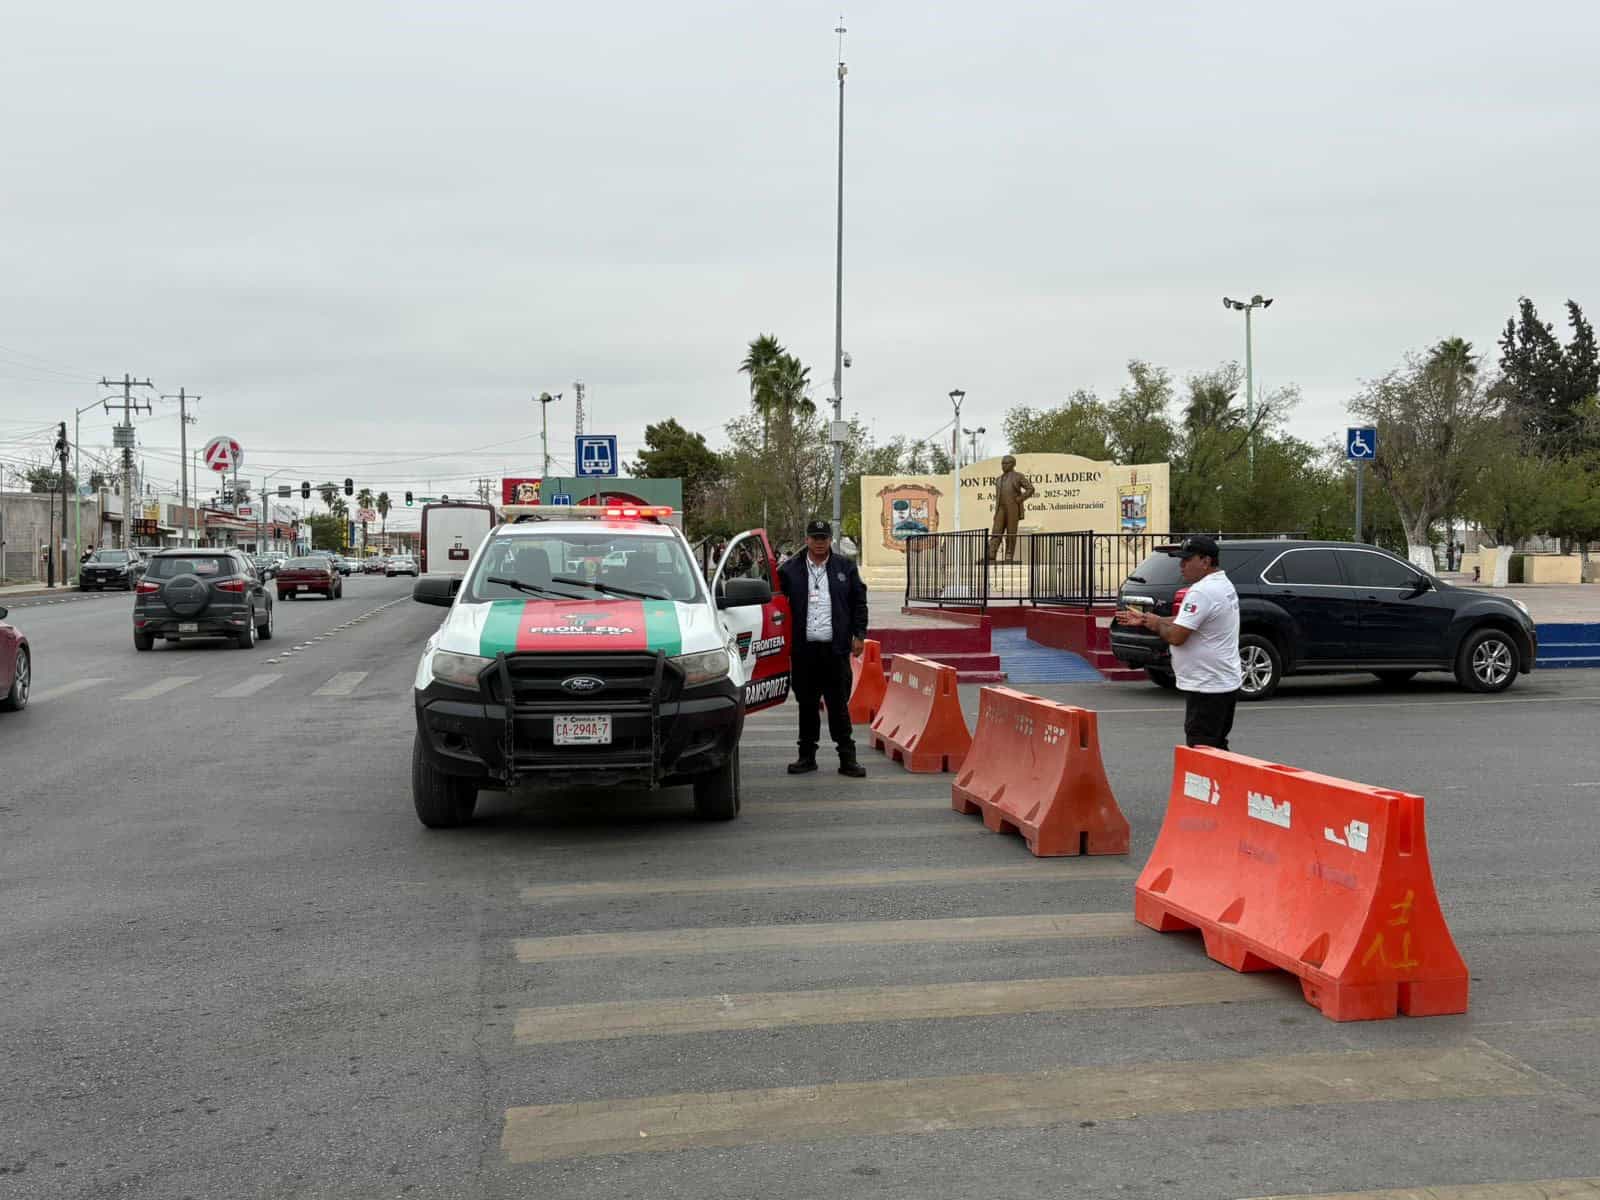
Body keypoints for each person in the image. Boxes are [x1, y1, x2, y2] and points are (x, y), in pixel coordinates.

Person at [1114, 535, 1242, 750]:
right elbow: (1188, 620)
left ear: (1205, 561)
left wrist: (1155, 623)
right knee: (1216, 748)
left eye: (1187, 559)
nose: (1181, 565)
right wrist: (1147, 619)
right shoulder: (1221, 584)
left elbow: (1176, 636)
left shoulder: (1202, 591)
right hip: (1220, 682)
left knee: (1203, 750)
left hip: (1207, 686)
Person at [776, 518, 869, 778]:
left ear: (830, 540)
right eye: (815, 538)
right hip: (804, 650)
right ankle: (806, 757)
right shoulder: (789, 570)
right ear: (806, 539)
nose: (819, 543)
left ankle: (847, 759)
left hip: (835, 650)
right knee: (807, 705)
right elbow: (775, 604)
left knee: (838, 705)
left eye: (823, 538)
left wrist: (859, 634)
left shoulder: (845, 567)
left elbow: (859, 602)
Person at [985, 455, 1036, 562]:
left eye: (1006, 463)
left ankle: (1009, 554)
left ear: (1013, 464)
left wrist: (1019, 499)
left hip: (1013, 507)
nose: (1003, 465)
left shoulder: (1018, 476)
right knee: (996, 530)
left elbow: (1030, 489)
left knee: (1011, 531)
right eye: (1002, 463)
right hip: (1001, 508)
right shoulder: (999, 479)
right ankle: (991, 553)